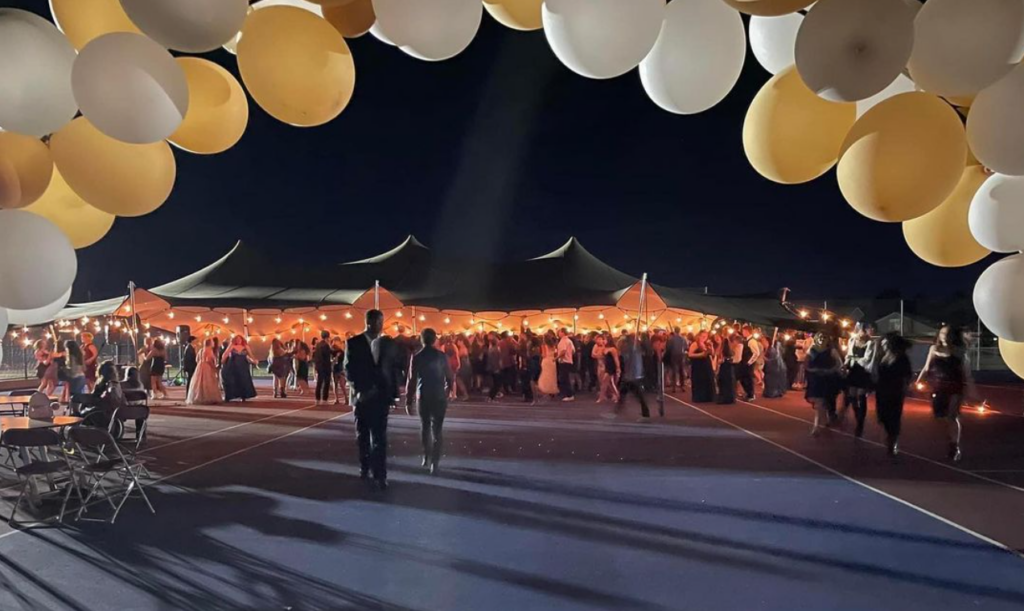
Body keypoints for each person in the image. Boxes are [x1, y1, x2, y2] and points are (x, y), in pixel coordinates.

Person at [344, 310, 402, 490]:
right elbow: (349, 369)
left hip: (381, 396)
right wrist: (359, 390)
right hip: (362, 396)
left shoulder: (387, 344)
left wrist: (394, 394)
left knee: (380, 438)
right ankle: (365, 466)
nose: (380, 325)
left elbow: (393, 369)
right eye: (378, 322)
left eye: (381, 322)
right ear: (369, 322)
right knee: (362, 435)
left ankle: (380, 474)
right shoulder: (354, 343)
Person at [916, 325, 973, 462]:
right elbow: (927, 367)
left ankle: (955, 446)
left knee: (952, 416)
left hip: (955, 385)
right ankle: (950, 438)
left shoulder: (959, 350)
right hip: (939, 386)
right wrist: (919, 379)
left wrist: (970, 389)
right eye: (942, 333)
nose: (944, 337)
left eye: (947, 334)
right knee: (940, 416)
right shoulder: (934, 349)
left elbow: (965, 371)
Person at [406, 329, 454, 475]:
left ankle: (426, 455)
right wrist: (448, 390)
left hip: (423, 395)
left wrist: (408, 400)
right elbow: (449, 376)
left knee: (425, 426)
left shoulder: (417, 357)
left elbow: (412, 380)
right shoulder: (442, 356)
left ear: (421, 340)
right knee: (437, 429)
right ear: (434, 340)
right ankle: (435, 462)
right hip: (438, 395)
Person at [876, 332, 913, 456]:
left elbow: (907, 375)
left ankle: (893, 440)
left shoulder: (901, 357)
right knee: (882, 416)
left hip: (895, 390)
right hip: (882, 389)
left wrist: (905, 388)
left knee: (894, 416)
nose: (883, 344)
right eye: (882, 343)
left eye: (885, 343)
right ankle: (890, 435)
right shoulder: (881, 356)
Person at [841, 323, 877, 437]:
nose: (861, 333)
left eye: (863, 331)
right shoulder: (852, 340)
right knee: (852, 396)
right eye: (859, 331)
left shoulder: (870, 343)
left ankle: (860, 423)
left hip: (863, 371)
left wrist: (854, 359)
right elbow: (848, 355)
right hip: (853, 371)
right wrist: (846, 364)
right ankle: (858, 416)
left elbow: (867, 359)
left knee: (861, 396)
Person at [806, 333, 843, 437]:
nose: (821, 339)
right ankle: (818, 424)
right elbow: (806, 362)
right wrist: (812, 370)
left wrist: (830, 370)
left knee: (824, 402)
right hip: (816, 379)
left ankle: (819, 424)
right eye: (820, 337)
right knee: (819, 403)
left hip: (828, 379)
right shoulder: (812, 350)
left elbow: (839, 364)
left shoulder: (831, 350)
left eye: (824, 337)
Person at [614, 333, 651, 420]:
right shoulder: (637, 347)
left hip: (632, 375)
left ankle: (645, 414)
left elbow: (625, 358)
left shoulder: (630, 348)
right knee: (624, 392)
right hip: (634, 374)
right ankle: (618, 409)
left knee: (638, 395)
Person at [220, 336, 257, 402]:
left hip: (243, 366)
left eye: (240, 339)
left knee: (243, 380)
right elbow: (225, 354)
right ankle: (229, 396)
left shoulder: (245, 346)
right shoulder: (232, 345)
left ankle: (243, 396)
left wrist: (254, 360)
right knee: (233, 380)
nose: (238, 340)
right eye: (237, 339)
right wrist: (223, 361)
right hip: (233, 365)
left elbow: (251, 355)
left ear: (242, 340)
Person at [187, 339, 222, 405]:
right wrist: (213, 367)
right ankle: (208, 397)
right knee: (208, 381)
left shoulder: (201, 350)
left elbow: (197, 359)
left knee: (199, 382)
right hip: (207, 366)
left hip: (200, 366)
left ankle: (199, 397)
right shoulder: (209, 350)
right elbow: (208, 359)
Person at [688, 331, 715, 403]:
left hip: (706, 364)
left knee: (708, 379)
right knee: (700, 380)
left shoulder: (706, 344)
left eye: (706, 336)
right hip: (698, 365)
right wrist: (701, 354)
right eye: (703, 336)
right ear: (699, 336)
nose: (704, 338)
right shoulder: (695, 344)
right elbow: (690, 354)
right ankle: (700, 397)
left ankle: (708, 397)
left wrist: (711, 347)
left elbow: (712, 354)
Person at [736, 326, 761, 401]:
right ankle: (748, 393)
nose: (743, 333)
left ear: (747, 331)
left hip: (748, 363)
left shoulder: (752, 341)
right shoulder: (746, 340)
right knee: (742, 378)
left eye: (744, 331)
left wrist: (749, 362)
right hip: (744, 363)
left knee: (748, 379)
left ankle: (751, 395)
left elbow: (756, 353)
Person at [313, 330, 334, 406]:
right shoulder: (326, 345)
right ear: (327, 337)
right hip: (325, 366)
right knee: (326, 383)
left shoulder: (318, 345)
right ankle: (324, 399)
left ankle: (317, 399)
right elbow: (328, 356)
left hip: (319, 366)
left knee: (319, 383)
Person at [666, 327, 688, 393]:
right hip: (681, 355)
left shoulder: (671, 339)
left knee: (674, 371)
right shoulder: (683, 339)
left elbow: (668, 348)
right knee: (681, 371)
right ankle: (682, 386)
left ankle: (674, 387)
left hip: (673, 355)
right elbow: (686, 347)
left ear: (674, 331)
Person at [556, 329, 576, 402]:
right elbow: (573, 350)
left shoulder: (563, 341)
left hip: (564, 361)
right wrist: (569, 355)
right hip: (569, 361)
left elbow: (563, 351)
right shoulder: (569, 341)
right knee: (566, 377)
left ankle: (569, 394)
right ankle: (568, 393)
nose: (558, 333)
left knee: (564, 378)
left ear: (563, 333)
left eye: (559, 332)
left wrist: (556, 358)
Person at [537, 335, 559, 399]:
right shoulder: (553, 345)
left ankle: (545, 389)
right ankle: (552, 389)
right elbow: (556, 353)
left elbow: (544, 355)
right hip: (552, 360)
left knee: (545, 375)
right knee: (552, 376)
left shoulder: (544, 345)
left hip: (546, 360)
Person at [716, 335, 736, 405]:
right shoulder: (731, 350)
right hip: (729, 367)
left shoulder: (722, 350)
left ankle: (723, 398)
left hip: (724, 367)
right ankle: (730, 397)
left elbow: (719, 358)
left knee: (723, 382)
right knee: (729, 382)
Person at [332, 335, 348, 405]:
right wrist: (335, 358)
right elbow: (332, 360)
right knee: (335, 384)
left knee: (342, 385)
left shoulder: (341, 351)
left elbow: (344, 360)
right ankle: (336, 399)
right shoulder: (332, 351)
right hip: (335, 369)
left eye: (337, 341)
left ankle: (346, 398)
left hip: (340, 369)